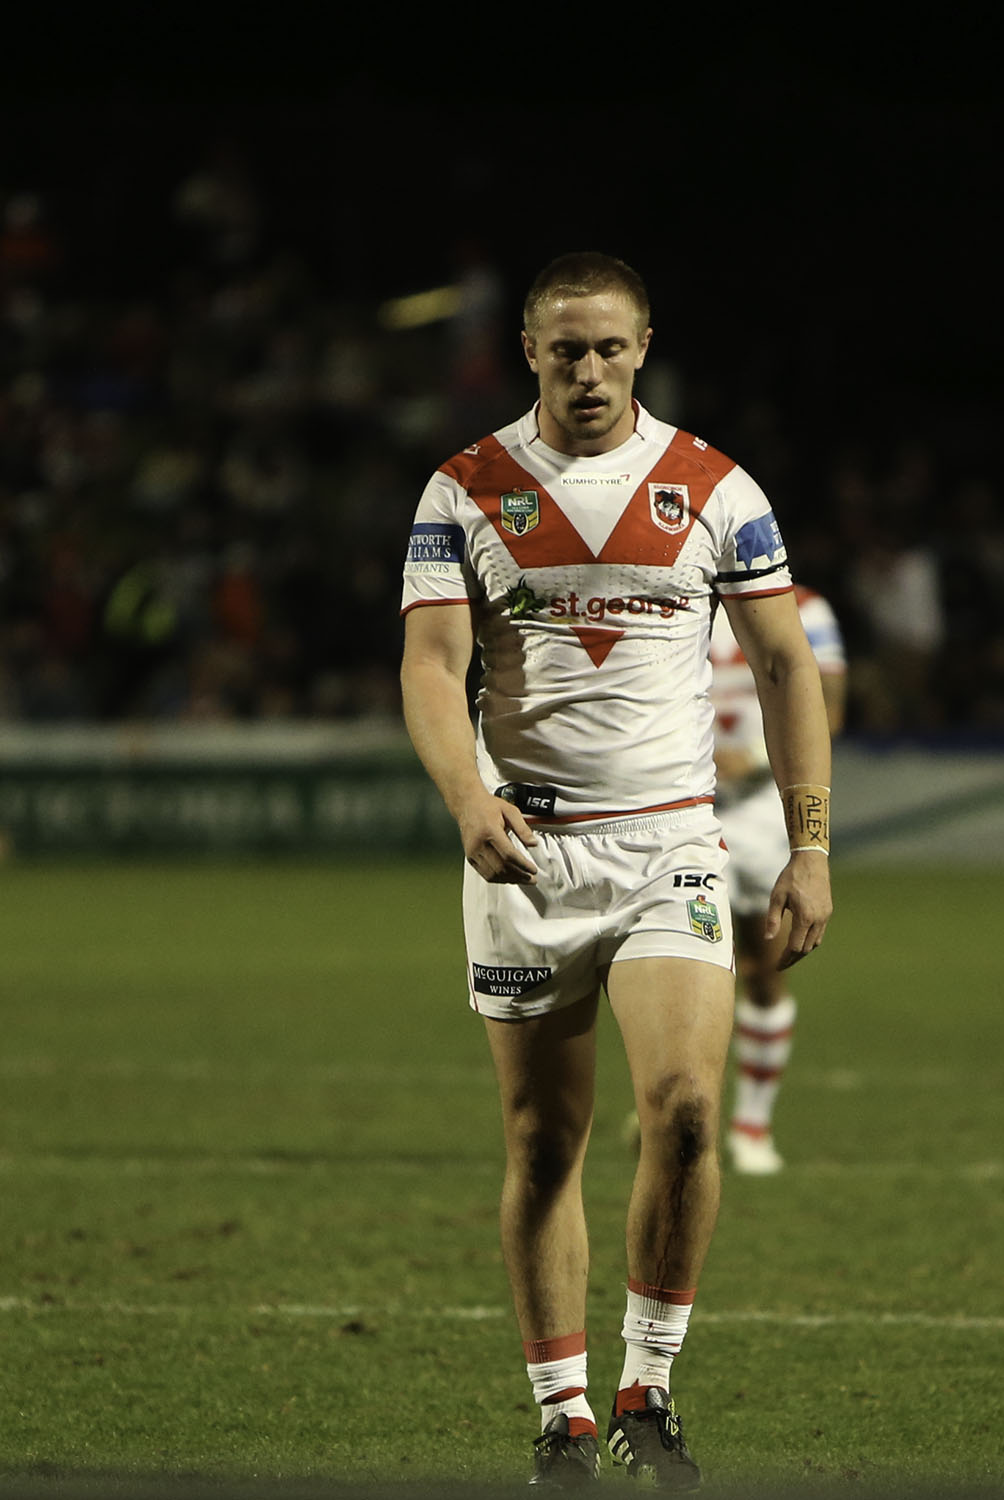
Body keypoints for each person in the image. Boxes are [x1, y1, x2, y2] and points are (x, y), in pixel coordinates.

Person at [398, 252, 833, 1487]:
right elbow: (432, 666)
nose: (587, 371)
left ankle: (649, 1385)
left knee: (688, 1115)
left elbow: (790, 666)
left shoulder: (715, 488)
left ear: (643, 349)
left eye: (608, 349)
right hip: (524, 853)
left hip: (670, 847)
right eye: (563, 350)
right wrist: (468, 797)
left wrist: (808, 847)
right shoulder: (465, 488)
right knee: (543, 1142)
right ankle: (563, 1413)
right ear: (527, 352)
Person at [709, 586, 848, 1173]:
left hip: (765, 806)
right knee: (671, 963)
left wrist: (755, 761)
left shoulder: (809, 609)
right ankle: (679, 1107)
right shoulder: (673, 590)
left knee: (761, 967)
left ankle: (751, 1125)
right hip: (680, 799)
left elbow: (830, 712)